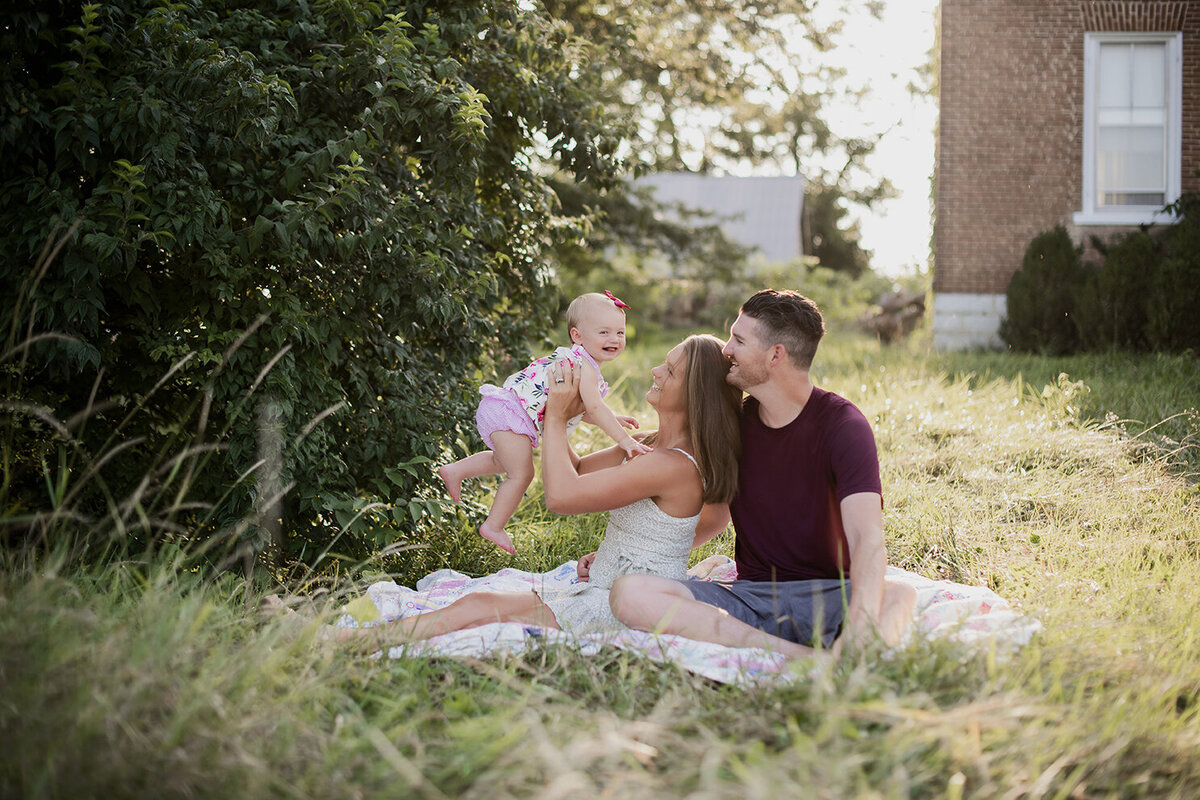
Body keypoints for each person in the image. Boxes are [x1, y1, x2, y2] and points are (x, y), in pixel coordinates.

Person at [331, 334, 742, 649]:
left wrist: (558, 419)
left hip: (623, 607)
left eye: (669, 371)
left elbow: (561, 497)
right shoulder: (649, 444)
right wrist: (547, 410)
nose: (654, 370)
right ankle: (347, 640)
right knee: (476, 605)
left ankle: (345, 645)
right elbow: (577, 468)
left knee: (478, 610)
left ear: (693, 396)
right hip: (607, 582)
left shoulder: (669, 463)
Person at [609, 289, 916, 660]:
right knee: (630, 593)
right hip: (748, 598)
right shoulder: (736, 426)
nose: (726, 350)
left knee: (898, 594)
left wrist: (861, 627)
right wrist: (630, 554)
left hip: (825, 596)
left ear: (775, 355)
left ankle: (852, 653)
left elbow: (867, 536)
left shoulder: (843, 426)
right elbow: (710, 514)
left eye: (738, 340)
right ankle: (807, 659)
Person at [439, 291, 652, 554]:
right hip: (511, 412)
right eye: (604, 332)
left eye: (620, 333)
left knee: (502, 461)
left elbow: (580, 408)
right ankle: (493, 525)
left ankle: (455, 470)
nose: (614, 339)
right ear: (577, 335)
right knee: (522, 474)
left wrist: (613, 418)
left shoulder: (577, 361)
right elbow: (595, 407)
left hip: (504, 407)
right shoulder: (583, 366)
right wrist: (624, 440)